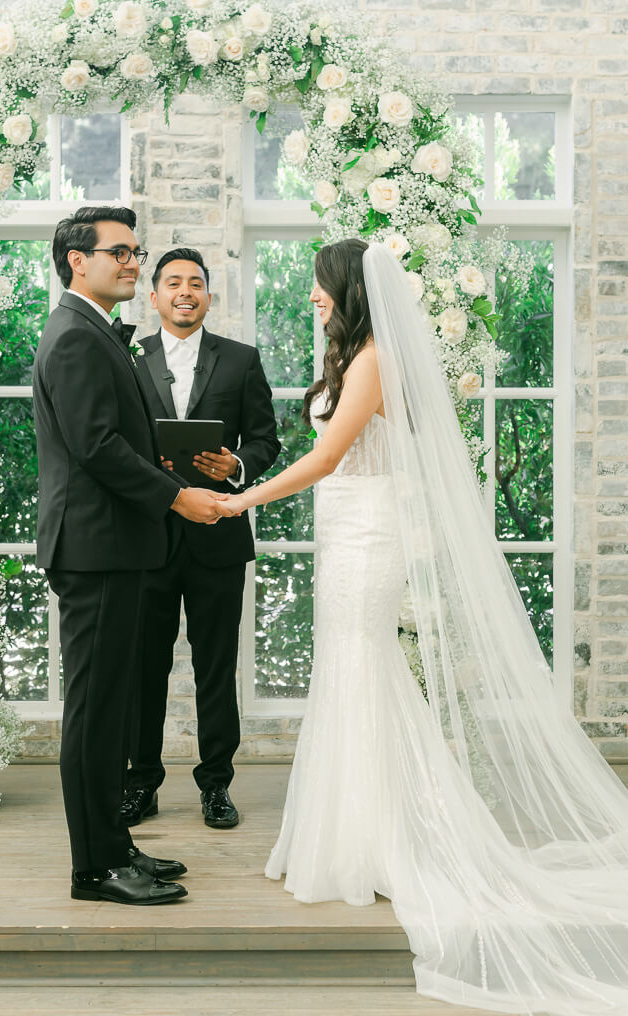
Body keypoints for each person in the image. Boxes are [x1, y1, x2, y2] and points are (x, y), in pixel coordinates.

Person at [218, 238, 628, 1014]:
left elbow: (331, 457)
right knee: (348, 671)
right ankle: (353, 836)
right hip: (346, 532)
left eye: (319, 286)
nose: (312, 297)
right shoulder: (353, 356)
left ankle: (379, 843)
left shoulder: (373, 360)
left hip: (369, 534)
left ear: (348, 288)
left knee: (360, 666)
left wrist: (243, 502)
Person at [33, 206, 226, 907]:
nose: (133, 262)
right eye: (119, 251)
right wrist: (178, 498)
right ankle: (94, 869)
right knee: (94, 714)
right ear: (76, 259)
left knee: (111, 710)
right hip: (95, 548)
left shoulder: (92, 331)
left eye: (134, 251)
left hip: (111, 546)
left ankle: (114, 845)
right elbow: (98, 448)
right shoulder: (77, 338)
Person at [122, 248, 280, 830]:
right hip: (146, 540)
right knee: (144, 669)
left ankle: (216, 785)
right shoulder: (127, 356)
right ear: (155, 296)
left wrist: (234, 464)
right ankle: (141, 784)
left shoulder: (240, 360)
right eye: (172, 283)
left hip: (218, 535)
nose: (184, 292)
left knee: (217, 667)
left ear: (208, 297)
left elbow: (267, 442)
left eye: (195, 284)